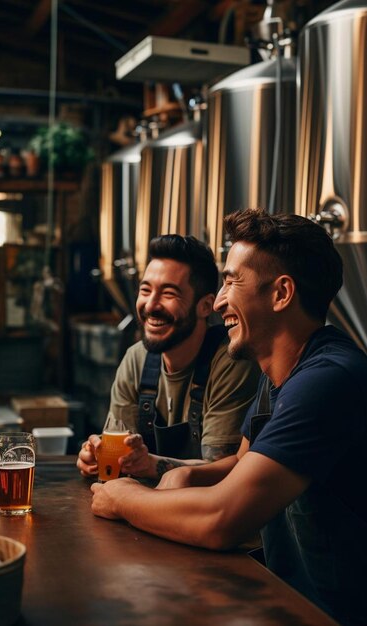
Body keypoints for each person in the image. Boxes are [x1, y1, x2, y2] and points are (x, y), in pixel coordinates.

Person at [91, 209, 367, 626]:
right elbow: (242, 462)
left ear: (281, 294)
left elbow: (222, 520)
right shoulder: (281, 374)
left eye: (231, 281)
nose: (218, 302)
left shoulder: (327, 380)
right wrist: (190, 474)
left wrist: (124, 496)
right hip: (289, 603)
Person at [77, 234, 260, 481]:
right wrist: (98, 455)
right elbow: (122, 452)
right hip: (145, 506)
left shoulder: (230, 360)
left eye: (169, 293)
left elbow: (223, 469)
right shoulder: (136, 359)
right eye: (145, 290)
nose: (151, 305)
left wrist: (151, 464)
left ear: (205, 306)